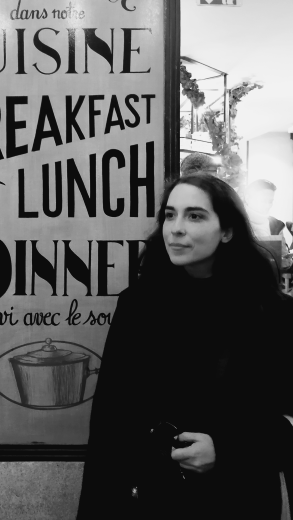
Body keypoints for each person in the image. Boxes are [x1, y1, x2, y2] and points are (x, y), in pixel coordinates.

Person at [76, 172, 293, 520]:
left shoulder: (272, 312)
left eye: (195, 215)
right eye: (170, 214)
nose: (175, 228)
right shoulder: (138, 306)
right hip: (155, 496)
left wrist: (227, 450)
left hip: (239, 496)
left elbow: (287, 420)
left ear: (227, 231)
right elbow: (109, 421)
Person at [244, 179, 292, 268]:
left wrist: (286, 261)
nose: (267, 205)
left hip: (270, 279)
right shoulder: (236, 222)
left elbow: (283, 254)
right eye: (262, 200)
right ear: (248, 198)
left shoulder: (277, 225)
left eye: (270, 201)